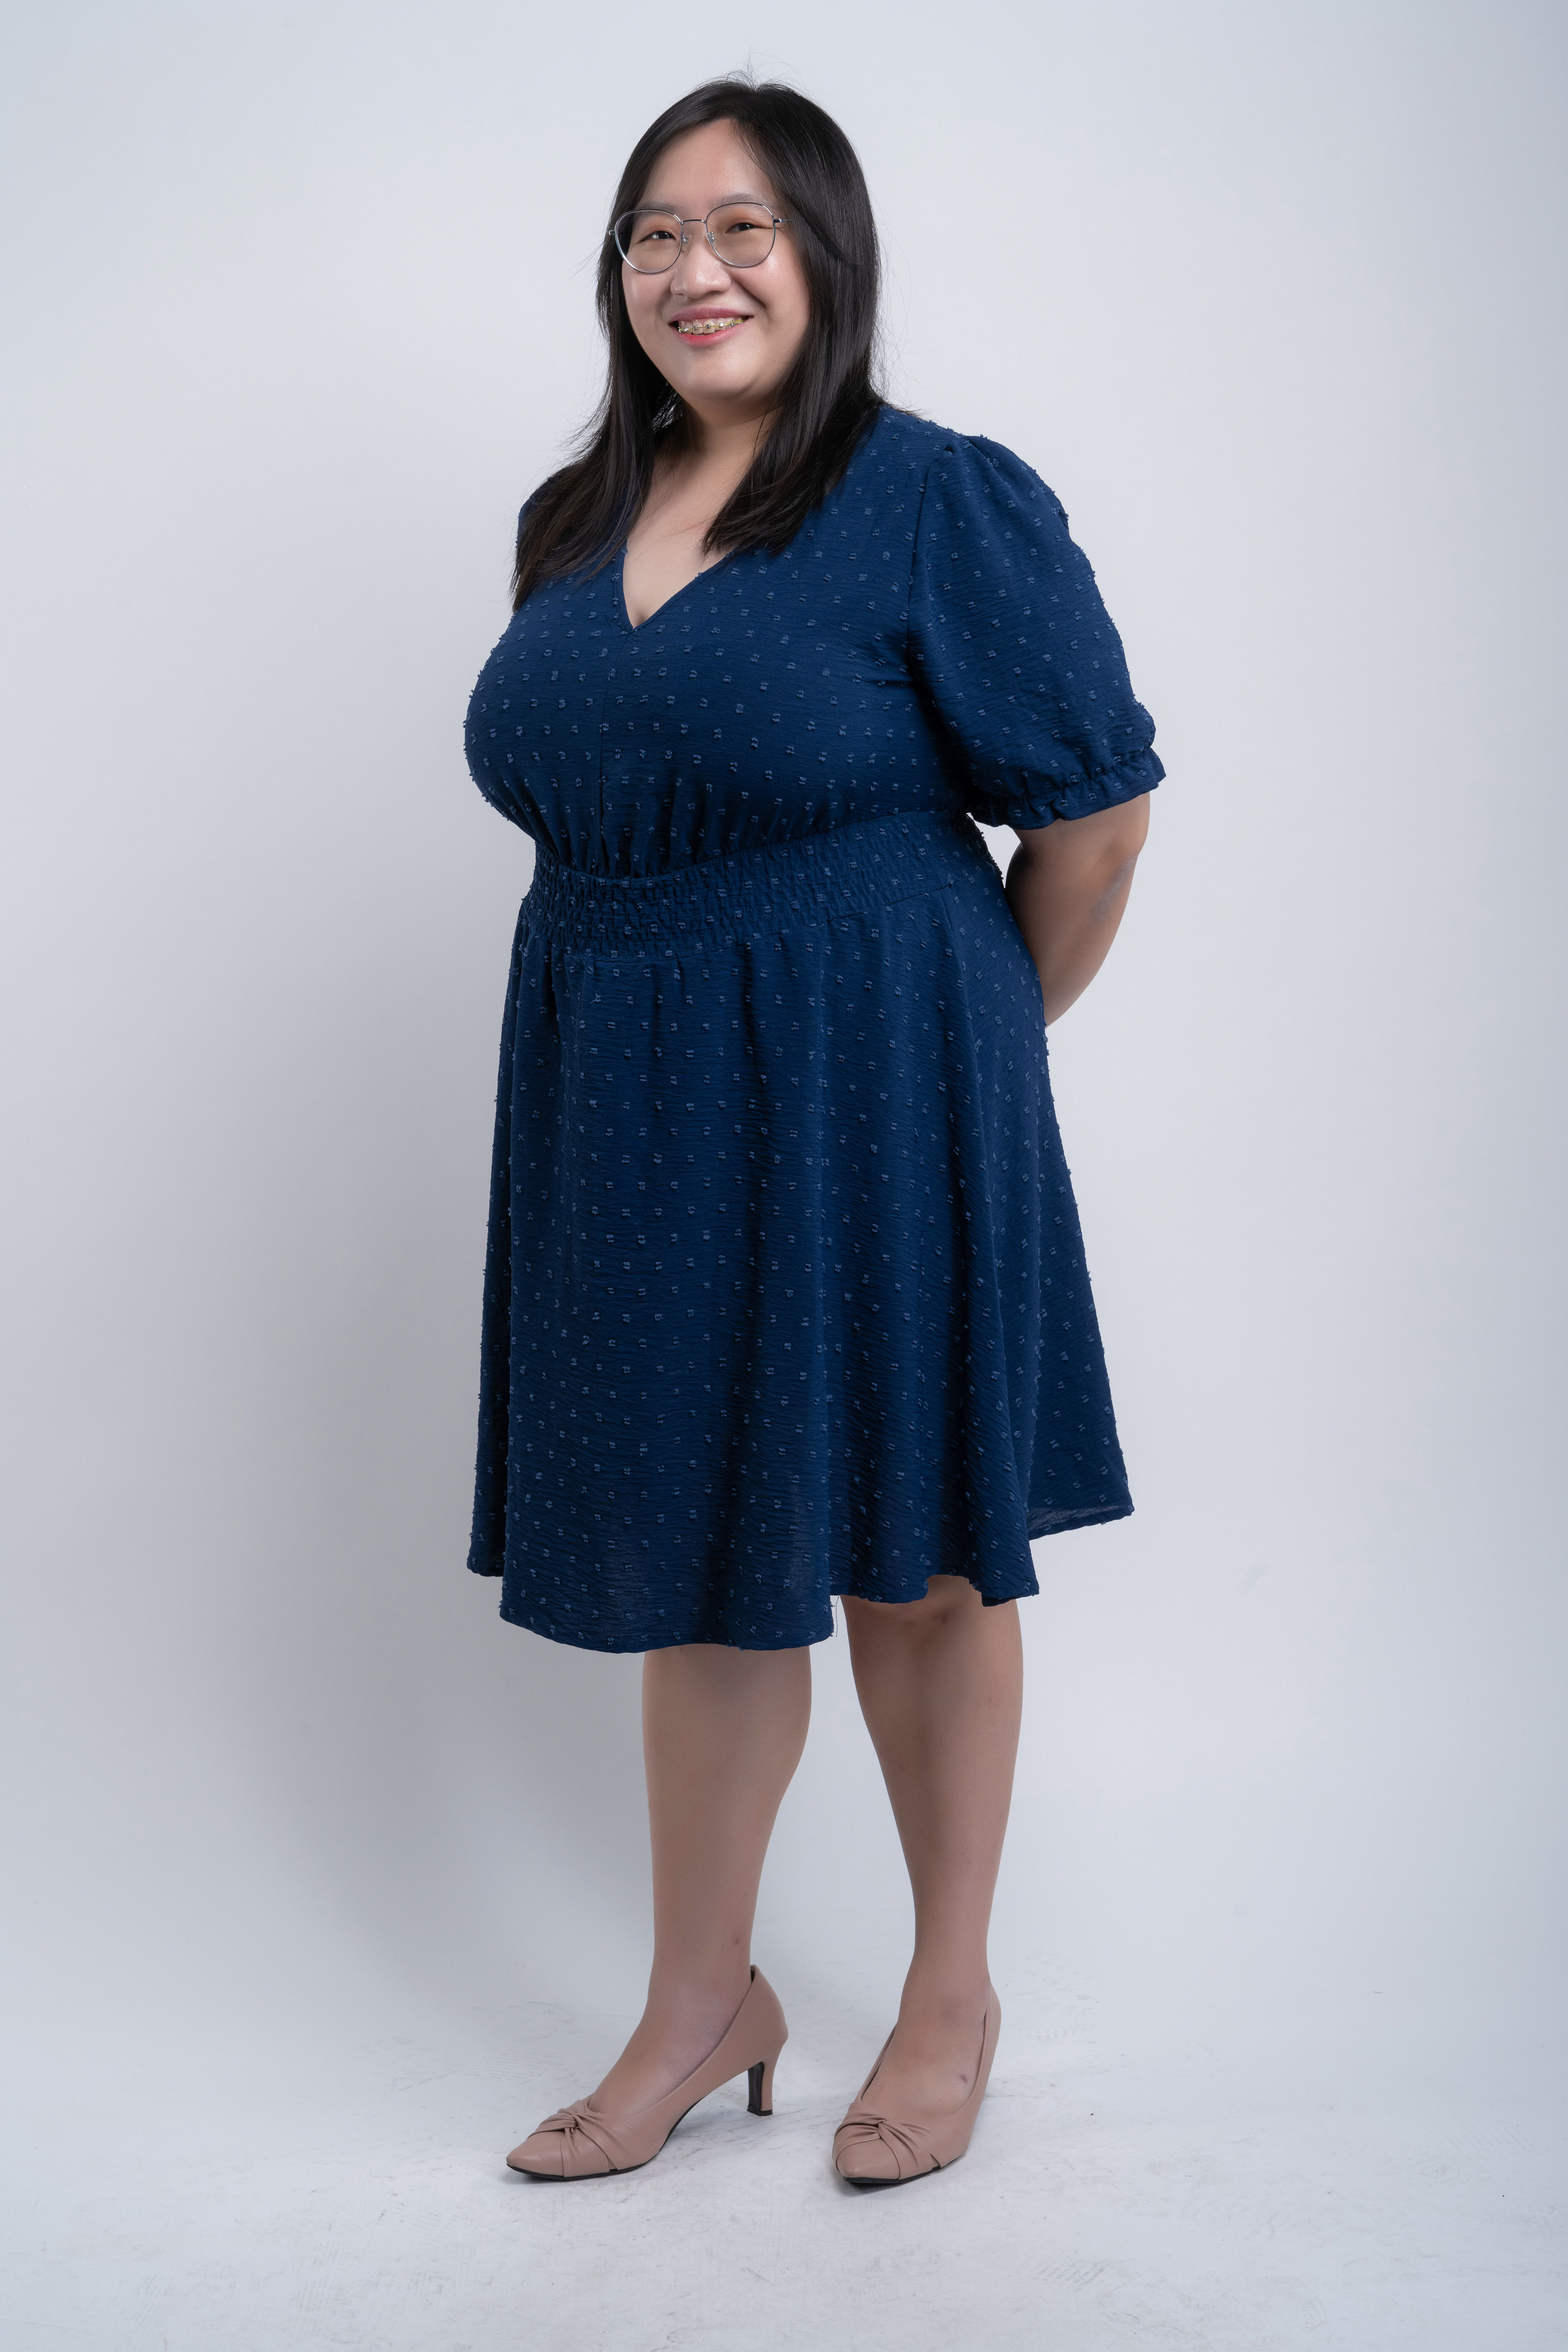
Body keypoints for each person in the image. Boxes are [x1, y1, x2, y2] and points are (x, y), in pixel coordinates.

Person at [462, 76, 1162, 2187]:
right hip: (625, 1093)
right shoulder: (574, 518)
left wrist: (957, 1058)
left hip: (883, 1085)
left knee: (922, 1558)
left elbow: (1097, 817)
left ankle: (951, 1998)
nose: (697, 270)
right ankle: (705, 2003)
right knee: (700, 1564)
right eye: (656, 233)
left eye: (744, 227)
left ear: (827, 255)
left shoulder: (937, 498)